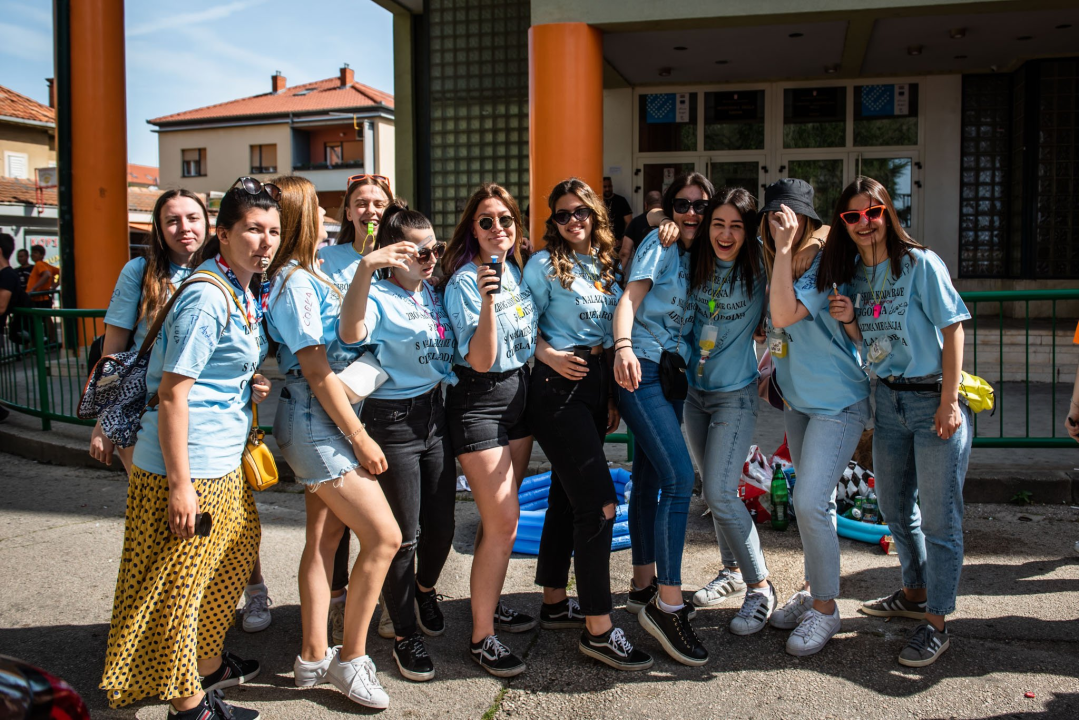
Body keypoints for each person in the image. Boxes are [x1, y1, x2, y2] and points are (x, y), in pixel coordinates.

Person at [99, 179, 279, 720]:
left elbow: (209, 373)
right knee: (180, 588)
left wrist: (245, 380)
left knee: (234, 555)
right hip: (190, 465)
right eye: (252, 229)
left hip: (220, 459)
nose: (265, 241)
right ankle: (189, 706)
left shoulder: (240, 287)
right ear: (223, 235)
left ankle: (205, 666)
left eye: (272, 230)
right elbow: (174, 395)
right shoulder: (207, 295)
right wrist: (180, 485)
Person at [819, 176, 972, 667]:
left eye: (873, 212)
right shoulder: (854, 277)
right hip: (888, 401)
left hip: (932, 402)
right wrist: (848, 322)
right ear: (843, 223)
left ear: (887, 212)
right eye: (852, 216)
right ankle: (914, 591)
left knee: (940, 519)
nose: (865, 223)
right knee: (891, 505)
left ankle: (938, 622)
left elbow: (953, 330)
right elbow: (873, 343)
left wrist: (950, 401)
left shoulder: (919, 263)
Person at [264, 176, 400, 709]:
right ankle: (351, 662)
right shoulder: (297, 282)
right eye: (317, 209)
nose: (327, 216)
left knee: (322, 541)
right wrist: (361, 438)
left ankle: (311, 656)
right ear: (306, 217)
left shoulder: (306, 273)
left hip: (321, 419)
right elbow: (318, 373)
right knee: (384, 538)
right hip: (318, 424)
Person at [524, 178, 653, 671]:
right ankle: (599, 628)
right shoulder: (541, 265)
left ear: (594, 215)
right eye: (562, 214)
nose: (572, 220)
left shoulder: (603, 263)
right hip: (558, 384)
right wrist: (549, 355)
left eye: (580, 212)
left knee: (566, 493)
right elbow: (521, 324)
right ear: (552, 222)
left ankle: (555, 600)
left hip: (597, 382)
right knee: (599, 504)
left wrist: (608, 394)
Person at [337, 203, 458, 682]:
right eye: (417, 251)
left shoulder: (432, 293)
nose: (430, 258)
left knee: (443, 523)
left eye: (435, 248)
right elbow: (350, 332)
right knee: (403, 537)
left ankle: (423, 591)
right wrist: (367, 267)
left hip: (436, 414)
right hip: (393, 422)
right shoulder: (378, 295)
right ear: (392, 253)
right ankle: (404, 633)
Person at [762, 177, 870, 657]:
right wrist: (771, 366)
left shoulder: (824, 263)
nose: (779, 225)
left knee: (808, 502)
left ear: (808, 221)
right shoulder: (782, 260)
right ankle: (813, 590)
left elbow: (783, 314)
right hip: (799, 401)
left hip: (838, 403)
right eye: (773, 218)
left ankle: (826, 610)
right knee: (815, 504)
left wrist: (789, 247)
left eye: (789, 217)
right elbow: (777, 332)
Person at [612, 172, 713, 667]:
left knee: (652, 476)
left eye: (699, 205)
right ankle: (667, 605)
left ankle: (642, 584)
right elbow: (629, 299)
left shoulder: (700, 252)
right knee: (678, 477)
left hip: (671, 373)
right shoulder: (660, 241)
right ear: (670, 207)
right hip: (642, 368)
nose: (691, 213)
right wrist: (624, 347)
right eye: (682, 204)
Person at [442, 183, 537, 677]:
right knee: (504, 524)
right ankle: (482, 638)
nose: (498, 228)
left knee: (499, 522)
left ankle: (490, 600)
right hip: (480, 404)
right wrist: (484, 301)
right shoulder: (463, 282)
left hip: (518, 401)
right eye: (486, 221)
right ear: (472, 229)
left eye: (506, 219)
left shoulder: (518, 272)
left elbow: (528, 338)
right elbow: (479, 358)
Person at [680, 188, 778, 633]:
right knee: (714, 490)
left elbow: (778, 318)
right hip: (693, 394)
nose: (725, 233)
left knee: (719, 491)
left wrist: (773, 364)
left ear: (748, 231)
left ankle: (761, 587)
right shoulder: (694, 262)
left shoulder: (758, 267)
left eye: (736, 225)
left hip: (734, 396)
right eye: (718, 223)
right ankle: (732, 572)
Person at [317, 173, 395, 643]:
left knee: (389, 514)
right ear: (347, 212)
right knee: (332, 523)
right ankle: (331, 607)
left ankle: (386, 601)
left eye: (378, 203)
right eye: (360, 203)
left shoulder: (404, 257)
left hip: (391, 403)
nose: (370, 211)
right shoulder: (326, 259)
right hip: (337, 400)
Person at [91, 190, 207, 475]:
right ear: (159, 228)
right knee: (154, 504)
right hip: (144, 405)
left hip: (204, 405)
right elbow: (114, 348)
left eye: (193, 218)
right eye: (172, 221)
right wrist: (104, 420)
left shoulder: (221, 270)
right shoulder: (140, 271)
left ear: (207, 222)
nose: (184, 228)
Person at [619, 190, 662, 280]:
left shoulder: (636, 222)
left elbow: (625, 253)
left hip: (641, 272)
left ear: (645, 205)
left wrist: (617, 276)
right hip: (665, 271)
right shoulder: (671, 221)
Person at [603, 177, 633, 244]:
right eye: (604, 187)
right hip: (602, 241)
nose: (607, 189)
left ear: (612, 186)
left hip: (618, 241)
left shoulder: (621, 200)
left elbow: (629, 221)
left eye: (609, 186)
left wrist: (623, 238)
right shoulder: (598, 201)